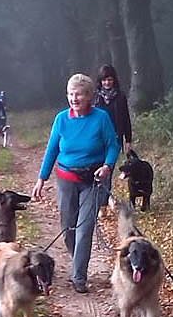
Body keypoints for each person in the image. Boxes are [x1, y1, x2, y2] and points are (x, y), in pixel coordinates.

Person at [32, 74, 119, 293]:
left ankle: (79, 276)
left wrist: (107, 166)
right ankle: (77, 259)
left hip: (93, 181)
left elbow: (113, 145)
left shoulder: (101, 118)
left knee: (84, 228)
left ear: (90, 96)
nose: (74, 98)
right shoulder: (61, 119)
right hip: (66, 180)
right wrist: (41, 179)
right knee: (68, 228)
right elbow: (52, 149)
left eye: (78, 94)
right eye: (71, 94)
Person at [93, 64, 132, 153]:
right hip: (98, 137)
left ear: (114, 80)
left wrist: (128, 140)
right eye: (104, 80)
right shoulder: (95, 97)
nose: (107, 82)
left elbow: (126, 119)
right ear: (100, 81)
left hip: (116, 137)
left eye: (109, 79)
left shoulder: (121, 97)